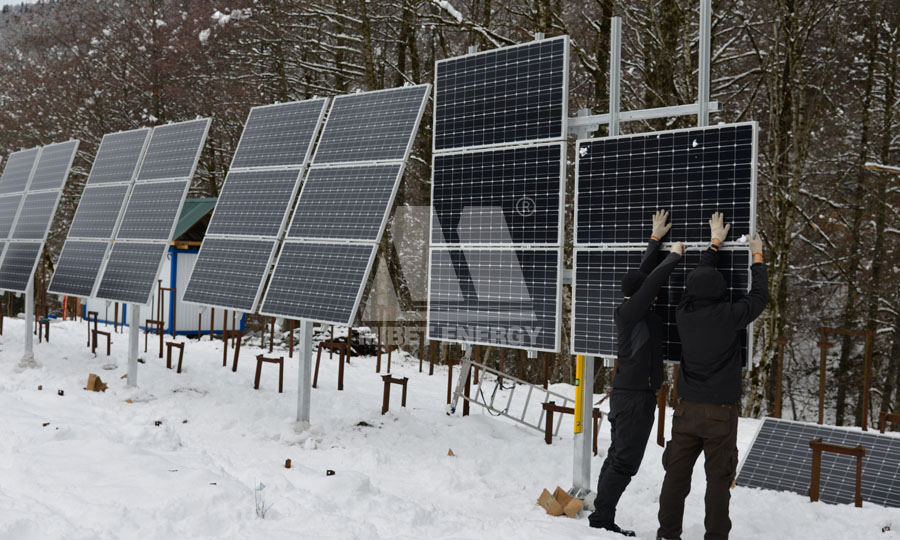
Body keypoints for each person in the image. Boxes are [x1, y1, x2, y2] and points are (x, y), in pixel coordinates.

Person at [656, 212, 768, 540]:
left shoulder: (683, 314)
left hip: (687, 411)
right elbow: (759, 297)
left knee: (675, 479)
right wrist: (757, 256)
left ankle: (667, 535)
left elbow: (698, 281)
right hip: (720, 414)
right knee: (718, 483)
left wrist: (714, 243)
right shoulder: (729, 315)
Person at [589, 209, 684, 537]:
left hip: (629, 396)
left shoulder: (631, 306)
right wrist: (673, 256)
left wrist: (655, 239)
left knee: (618, 457)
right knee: (624, 462)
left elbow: (643, 276)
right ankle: (602, 519)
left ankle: (601, 515)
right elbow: (652, 280)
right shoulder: (632, 311)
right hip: (634, 400)